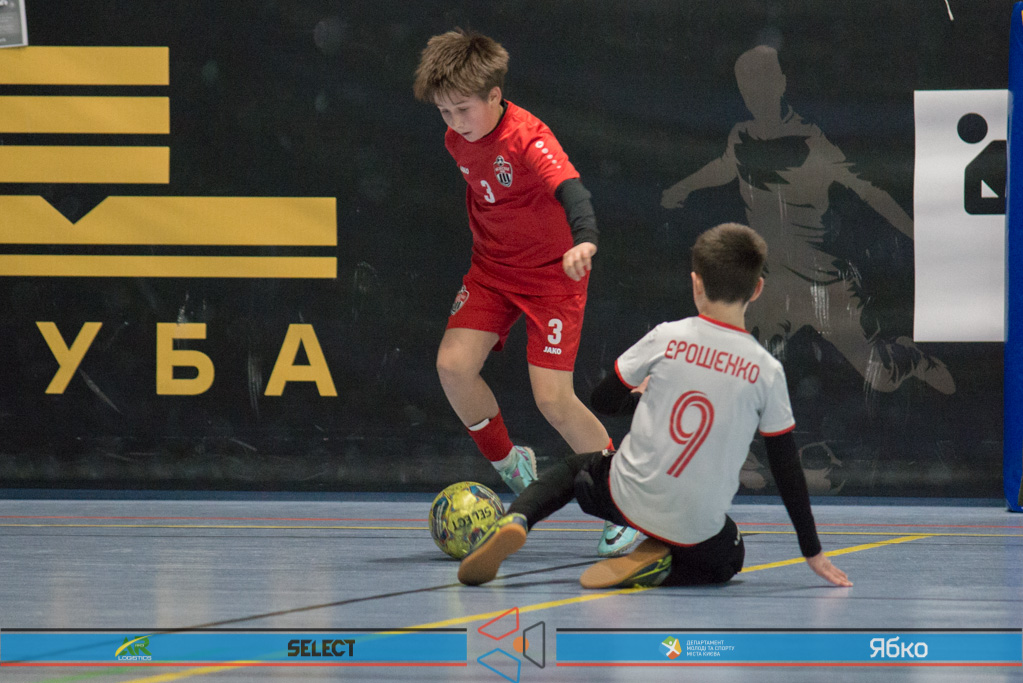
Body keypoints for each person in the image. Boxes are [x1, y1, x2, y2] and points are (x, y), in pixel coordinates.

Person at [458, 223, 852, 589]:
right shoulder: (766, 370)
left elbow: (603, 400)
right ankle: (663, 565)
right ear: (757, 289)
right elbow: (786, 468)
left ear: (696, 283)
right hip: (694, 524)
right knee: (730, 553)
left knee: (576, 468)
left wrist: (643, 400)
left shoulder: (668, 337)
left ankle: (519, 517)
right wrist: (812, 551)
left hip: (625, 497)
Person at [413, 28, 638, 557]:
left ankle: (626, 504)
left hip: (552, 279)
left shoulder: (530, 139)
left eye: (463, 109)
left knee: (553, 400)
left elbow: (570, 190)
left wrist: (584, 239)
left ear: (495, 95)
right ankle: (511, 462)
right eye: (444, 112)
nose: (454, 122)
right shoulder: (456, 139)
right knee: (452, 367)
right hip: (492, 272)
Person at [661, 45, 953, 396]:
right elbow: (724, 167)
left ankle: (911, 358)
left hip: (822, 282)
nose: (756, 94)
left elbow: (868, 190)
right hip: (767, 284)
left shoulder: (813, 140)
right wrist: (683, 187)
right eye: (747, 86)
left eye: (764, 82)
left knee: (881, 377)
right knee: (732, 372)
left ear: (781, 83)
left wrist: (915, 232)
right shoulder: (741, 135)